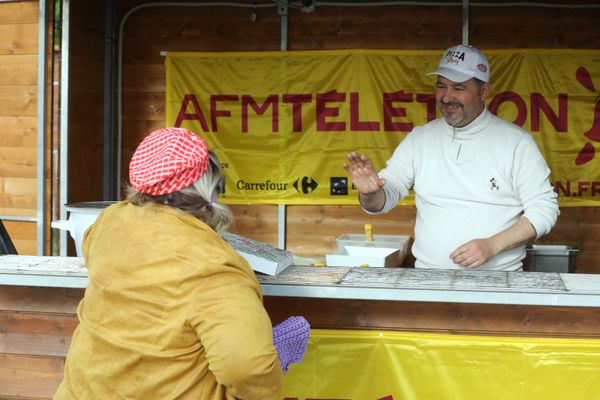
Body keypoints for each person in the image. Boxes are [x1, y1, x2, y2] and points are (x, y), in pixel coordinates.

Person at [54, 127, 309, 400]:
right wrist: (272, 367)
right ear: (209, 189)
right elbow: (249, 367)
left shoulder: (110, 221)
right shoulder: (213, 266)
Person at [343, 45, 559, 271]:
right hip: (428, 281)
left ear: (484, 91)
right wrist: (371, 193)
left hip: (497, 283)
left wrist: (492, 245)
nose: (447, 97)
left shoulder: (517, 142)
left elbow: (544, 209)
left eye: (458, 88)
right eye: (441, 86)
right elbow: (382, 200)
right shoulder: (420, 138)